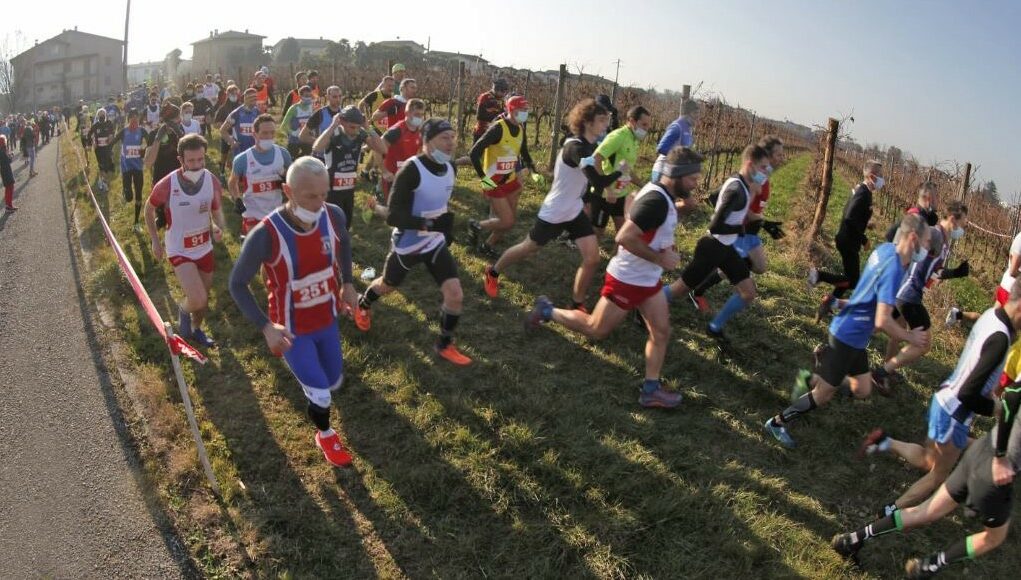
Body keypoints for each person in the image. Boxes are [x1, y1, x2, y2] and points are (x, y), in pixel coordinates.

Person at [525, 146, 704, 408]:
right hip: (628, 279)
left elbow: (634, 205)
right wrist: (660, 259)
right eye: (692, 178)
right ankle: (547, 310)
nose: (696, 183)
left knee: (661, 331)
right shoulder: (656, 200)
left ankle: (650, 389)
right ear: (676, 175)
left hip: (647, 279)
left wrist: (664, 247)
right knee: (595, 329)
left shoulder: (661, 195)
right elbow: (624, 236)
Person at [832, 359, 1021, 578]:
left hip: (979, 450)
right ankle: (930, 566)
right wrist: (1000, 457)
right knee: (994, 537)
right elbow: (1014, 393)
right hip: (995, 472)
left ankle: (852, 539)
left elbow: (1014, 391)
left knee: (926, 511)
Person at [229, 156, 358, 467]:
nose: (319, 203)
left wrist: (348, 283)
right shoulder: (266, 233)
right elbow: (236, 284)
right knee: (321, 395)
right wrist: (265, 327)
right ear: (287, 190)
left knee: (334, 381)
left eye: (324, 194)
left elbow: (344, 245)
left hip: (327, 319)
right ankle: (325, 434)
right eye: (310, 196)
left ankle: (315, 389)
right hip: (291, 330)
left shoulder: (334, 215)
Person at [764, 214, 931, 449]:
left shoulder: (885, 251)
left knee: (863, 389)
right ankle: (777, 422)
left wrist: (839, 303)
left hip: (856, 336)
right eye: (925, 242)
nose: (927, 248)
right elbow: (883, 320)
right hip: (846, 336)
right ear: (913, 238)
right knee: (823, 395)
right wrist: (910, 336)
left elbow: (865, 294)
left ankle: (813, 374)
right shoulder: (894, 268)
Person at [858, 281, 1019, 518]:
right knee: (936, 474)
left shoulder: (991, 315)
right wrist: (995, 407)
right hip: (955, 413)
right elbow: (968, 393)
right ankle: (890, 511)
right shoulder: (1000, 340)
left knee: (927, 458)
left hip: (944, 399)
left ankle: (885, 442)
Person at [353, 119, 471, 366]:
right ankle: (363, 304)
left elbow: (440, 203)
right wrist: (427, 224)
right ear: (427, 141)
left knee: (455, 294)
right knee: (387, 285)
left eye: (452, 137)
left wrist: (443, 228)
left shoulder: (451, 168)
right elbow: (394, 216)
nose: (450, 143)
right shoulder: (411, 169)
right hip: (407, 243)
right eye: (444, 138)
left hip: (434, 243)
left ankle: (445, 344)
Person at [482, 99, 619, 309]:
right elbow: (597, 181)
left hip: (573, 210)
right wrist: (620, 172)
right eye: (602, 120)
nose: (605, 125)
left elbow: (596, 178)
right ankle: (492, 272)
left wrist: (602, 190)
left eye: (607, 120)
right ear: (588, 122)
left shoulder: (591, 146)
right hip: (555, 211)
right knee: (528, 248)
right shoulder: (575, 148)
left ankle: (577, 304)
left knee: (592, 259)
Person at [662, 145, 772, 341]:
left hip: (726, 248)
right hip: (712, 248)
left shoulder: (740, 183)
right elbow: (715, 226)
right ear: (749, 165)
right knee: (680, 289)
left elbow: (713, 197)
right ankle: (645, 301)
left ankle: (714, 327)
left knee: (748, 293)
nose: (767, 172)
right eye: (763, 167)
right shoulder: (737, 190)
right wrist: (741, 228)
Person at [871, 202, 971, 394]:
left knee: (887, 329)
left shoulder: (944, 240)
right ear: (953, 219)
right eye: (964, 223)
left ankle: (876, 365)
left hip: (909, 292)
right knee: (924, 344)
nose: (964, 228)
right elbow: (909, 249)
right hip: (909, 294)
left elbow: (934, 272)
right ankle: (882, 372)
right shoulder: (934, 234)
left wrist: (955, 273)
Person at [144, 134, 227, 348]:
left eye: (201, 160)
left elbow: (217, 213)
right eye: (191, 161)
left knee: (204, 298)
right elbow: (149, 208)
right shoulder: (168, 184)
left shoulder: (212, 181)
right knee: (197, 299)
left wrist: (218, 228)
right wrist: (155, 240)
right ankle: (183, 309)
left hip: (204, 247)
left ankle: (197, 328)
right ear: (180, 159)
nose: (197, 165)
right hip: (179, 249)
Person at [688, 136, 787, 312]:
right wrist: (762, 222)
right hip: (740, 230)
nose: (782, 158)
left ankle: (707, 284)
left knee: (759, 266)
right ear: (767, 155)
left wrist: (762, 222)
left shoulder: (763, 178)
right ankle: (698, 289)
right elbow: (737, 203)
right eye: (778, 154)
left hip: (750, 231)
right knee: (736, 267)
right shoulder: (754, 179)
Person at [809, 161, 885, 316]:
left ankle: (829, 303)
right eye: (881, 176)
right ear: (871, 176)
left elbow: (854, 214)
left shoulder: (864, 191)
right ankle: (818, 275)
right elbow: (849, 217)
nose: (883, 180)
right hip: (848, 241)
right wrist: (864, 239)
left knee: (849, 278)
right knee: (853, 281)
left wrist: (866, 223)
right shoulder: (863, 193)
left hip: (848, 240)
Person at [467, 95, 536, 257]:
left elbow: (523, 150)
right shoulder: (498, 128)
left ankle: (487, 245)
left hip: (510, 180)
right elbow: (473, 153)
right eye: (522, 110)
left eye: (527, 110)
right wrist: (484, 179)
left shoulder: (520, 129)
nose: (525, 113)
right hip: (493, 182)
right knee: (507, 221)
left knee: (509, 221)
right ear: (511, 109)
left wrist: (532, 167)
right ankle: (476, 225)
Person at [311, 105, 386, 227]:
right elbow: (317, 147)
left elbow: (382, 149)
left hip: (349, 189)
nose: (355, 130)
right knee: (331, 224)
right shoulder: (334, 134)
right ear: (342, 122)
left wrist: (368, 127)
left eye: (358, 127)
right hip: (331, 190)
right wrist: (332, 126)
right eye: (352, 127)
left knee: (346, 224)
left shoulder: (360, 134)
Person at [589, 105, 652, 238]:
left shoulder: (633, 140)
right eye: (644, 124)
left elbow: (627, 169)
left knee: (623, 233)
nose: (646, 129)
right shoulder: (618, 136)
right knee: (598, 232)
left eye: (648, 126)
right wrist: (607, 189)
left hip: (620, 192)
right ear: (632, 121)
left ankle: (617, 258)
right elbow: (595, 160)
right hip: (605, 195)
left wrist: (644, 186)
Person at [228, 114, 293, 236]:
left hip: (277, 211)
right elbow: (232, 182)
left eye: (272, 133)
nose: (269, 137)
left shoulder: (283, 154)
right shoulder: (242, 159)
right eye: (264, 133)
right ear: (254, 134)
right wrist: (236, 198)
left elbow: (294, 178)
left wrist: (286, 179)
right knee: (256, 249)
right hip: (252, 212)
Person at [370, 98, 427, 216]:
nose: (419, 117)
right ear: (407, 113)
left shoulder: (420, 131)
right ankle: (373, 205)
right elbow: (377, 149)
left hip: (408, 175)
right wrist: (384, 171)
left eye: (421, 115)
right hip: (391, 177)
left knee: (408, 210)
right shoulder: (396, 131)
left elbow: (420, 151)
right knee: (393, 215)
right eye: (416, 114)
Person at [111, 109, 149, 231]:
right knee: (129, 198)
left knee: (138, 194)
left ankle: (136, 222)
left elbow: (151, 143)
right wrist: (108, 147)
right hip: (126, 168)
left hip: (138, 167)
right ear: (128, 121)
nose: (135, 124)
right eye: (132, 121)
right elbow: (113, 142)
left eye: (137, 121)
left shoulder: (142, 131)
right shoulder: (124, 132)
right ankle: (125, 191)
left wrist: (145, 150)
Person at [651, 99, 699, 181]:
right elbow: (661, 148)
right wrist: (680, 157)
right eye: (695, 113)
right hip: (662, 171)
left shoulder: (688, 128)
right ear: (687, 113)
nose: (697, 117)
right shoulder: (677, 127)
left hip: (674, 173)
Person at [143, 104, 185, 188]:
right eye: (178, 118)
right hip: (160, 180)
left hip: (180, 180)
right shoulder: (154, 134)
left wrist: (180, 134)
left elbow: (187, 153)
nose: (180, 119)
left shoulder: (180, 130)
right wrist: (158, 139)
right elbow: (148, 163)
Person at [220, 88, 261, 163]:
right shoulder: (236, 113)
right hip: (240, 152)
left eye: (255, 98)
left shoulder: (258, 112)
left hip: (255, 151)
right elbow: (223, 130)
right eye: (251, 98)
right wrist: (232, 142)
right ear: (245, 99)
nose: (254, 100)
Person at [300, 85, 343, 153]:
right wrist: (320, 142)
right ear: (327, 97)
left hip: (339, 157)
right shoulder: (319, 114)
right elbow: (302, 136)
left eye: (340, 96)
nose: (338, 99)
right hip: (321, 157)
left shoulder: (344, 113)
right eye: (334, 97)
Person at [212, 84, 241, 177]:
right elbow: (215, 124)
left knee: (238, 156)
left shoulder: (241, 107)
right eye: (232, 93)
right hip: (226, 136)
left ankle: (238, 174)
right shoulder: (223, 108)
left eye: (236, 93)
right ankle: (222, 172)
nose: (234, 95)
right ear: (227, 94)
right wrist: (226, 125)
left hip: (239, 136)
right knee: (224, 155)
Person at [280, 85, 315, 159]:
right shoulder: (294, 108)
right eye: (306, 95)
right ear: (300, 96)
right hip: (294, 140)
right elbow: (283, 126)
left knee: (307, 160)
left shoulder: (312, 107)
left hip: (306, 140)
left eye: (310, 95)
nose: (308, 98)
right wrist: (293, 132)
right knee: (292, 161)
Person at [87, 108, 116, 192]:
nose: (102, 116)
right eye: (100, 114)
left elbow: (112, 132)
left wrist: (111, 136)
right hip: (99, 148)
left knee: (108, 163)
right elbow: (89, 134)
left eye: (103, 114)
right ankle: (103, 181)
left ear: (106, 115)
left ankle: (106, 178)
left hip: (108, 147)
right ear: (97, 116)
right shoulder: (95, 125)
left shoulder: (109, 123)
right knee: (101, 164)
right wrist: (91, 143)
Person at [1, 132, 15, 211]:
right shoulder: (3, 150)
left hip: (3, 171)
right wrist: (11, 155)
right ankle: (9, 206)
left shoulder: (2, 150)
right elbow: (9, 160)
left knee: (8, 188)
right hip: (7, 171)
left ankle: (8, 205)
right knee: (10, 187)